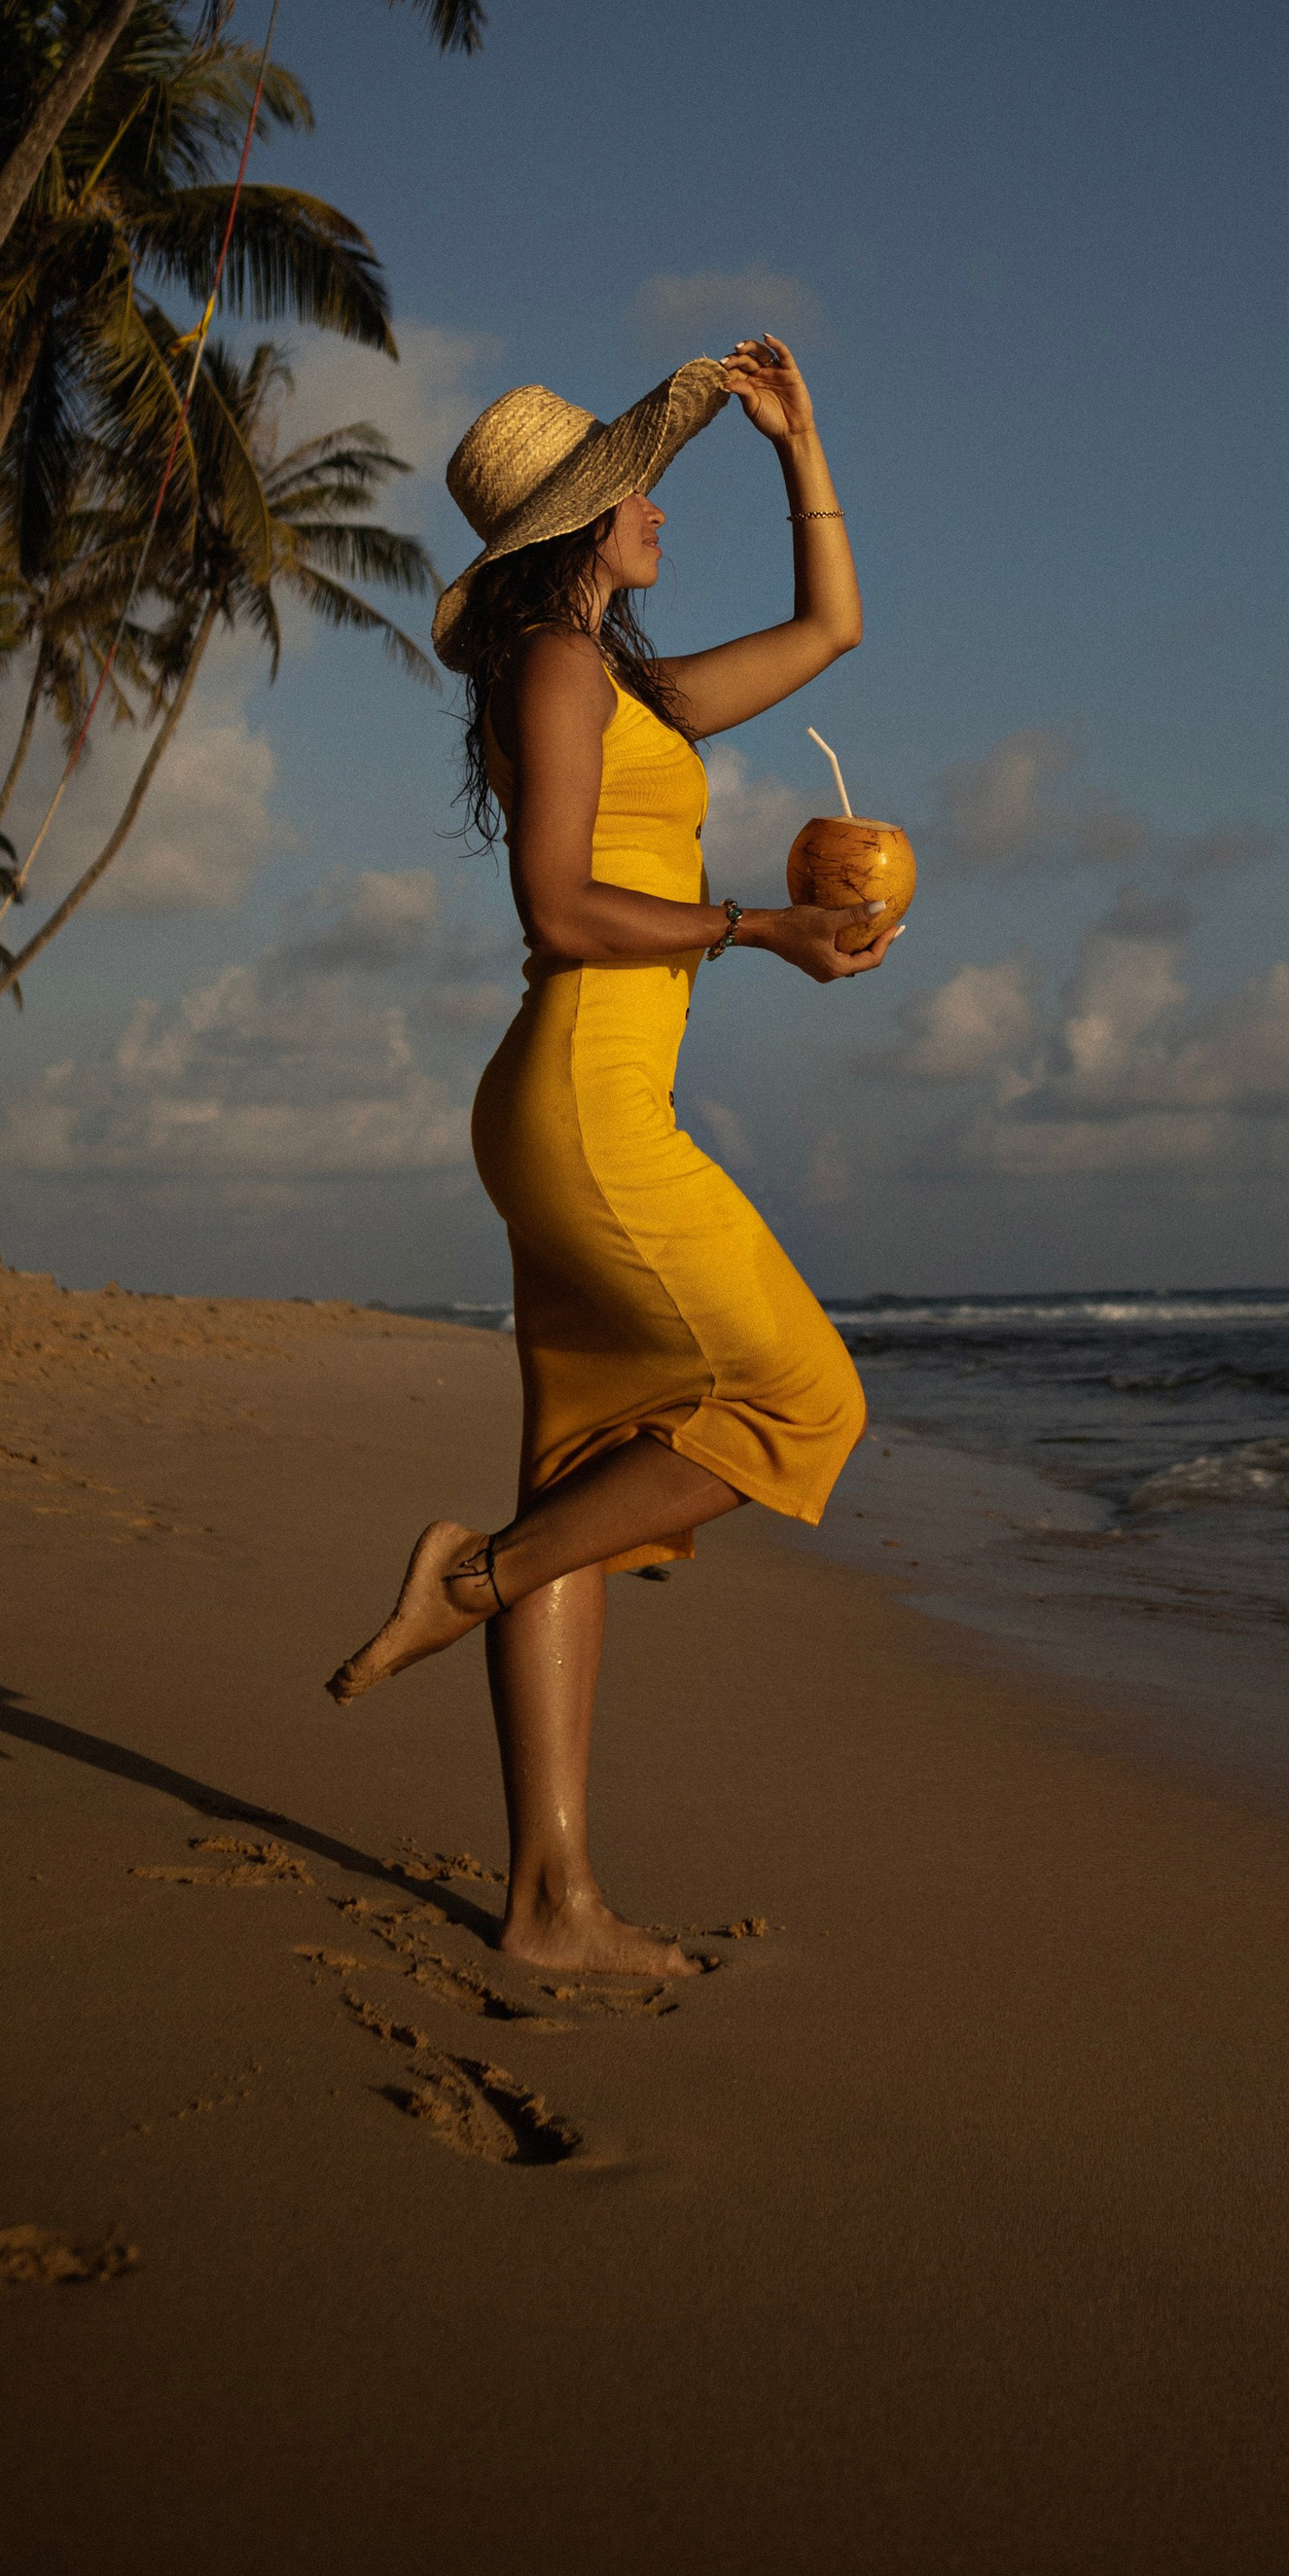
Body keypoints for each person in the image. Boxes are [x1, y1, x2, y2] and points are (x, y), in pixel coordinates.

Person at [325, 333, 901, 1978]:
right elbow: (561, 911)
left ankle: (549, 1903)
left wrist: (800, 440)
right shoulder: (559, 676)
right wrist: (761, 928)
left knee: (584, 1480)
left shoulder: (624, 682)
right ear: (578, 525)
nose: (656, 505)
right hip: (586, 1103)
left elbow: (832, 630)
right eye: (633, 486)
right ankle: (476, 1573)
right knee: (810, 1404)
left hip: (574, 1102)